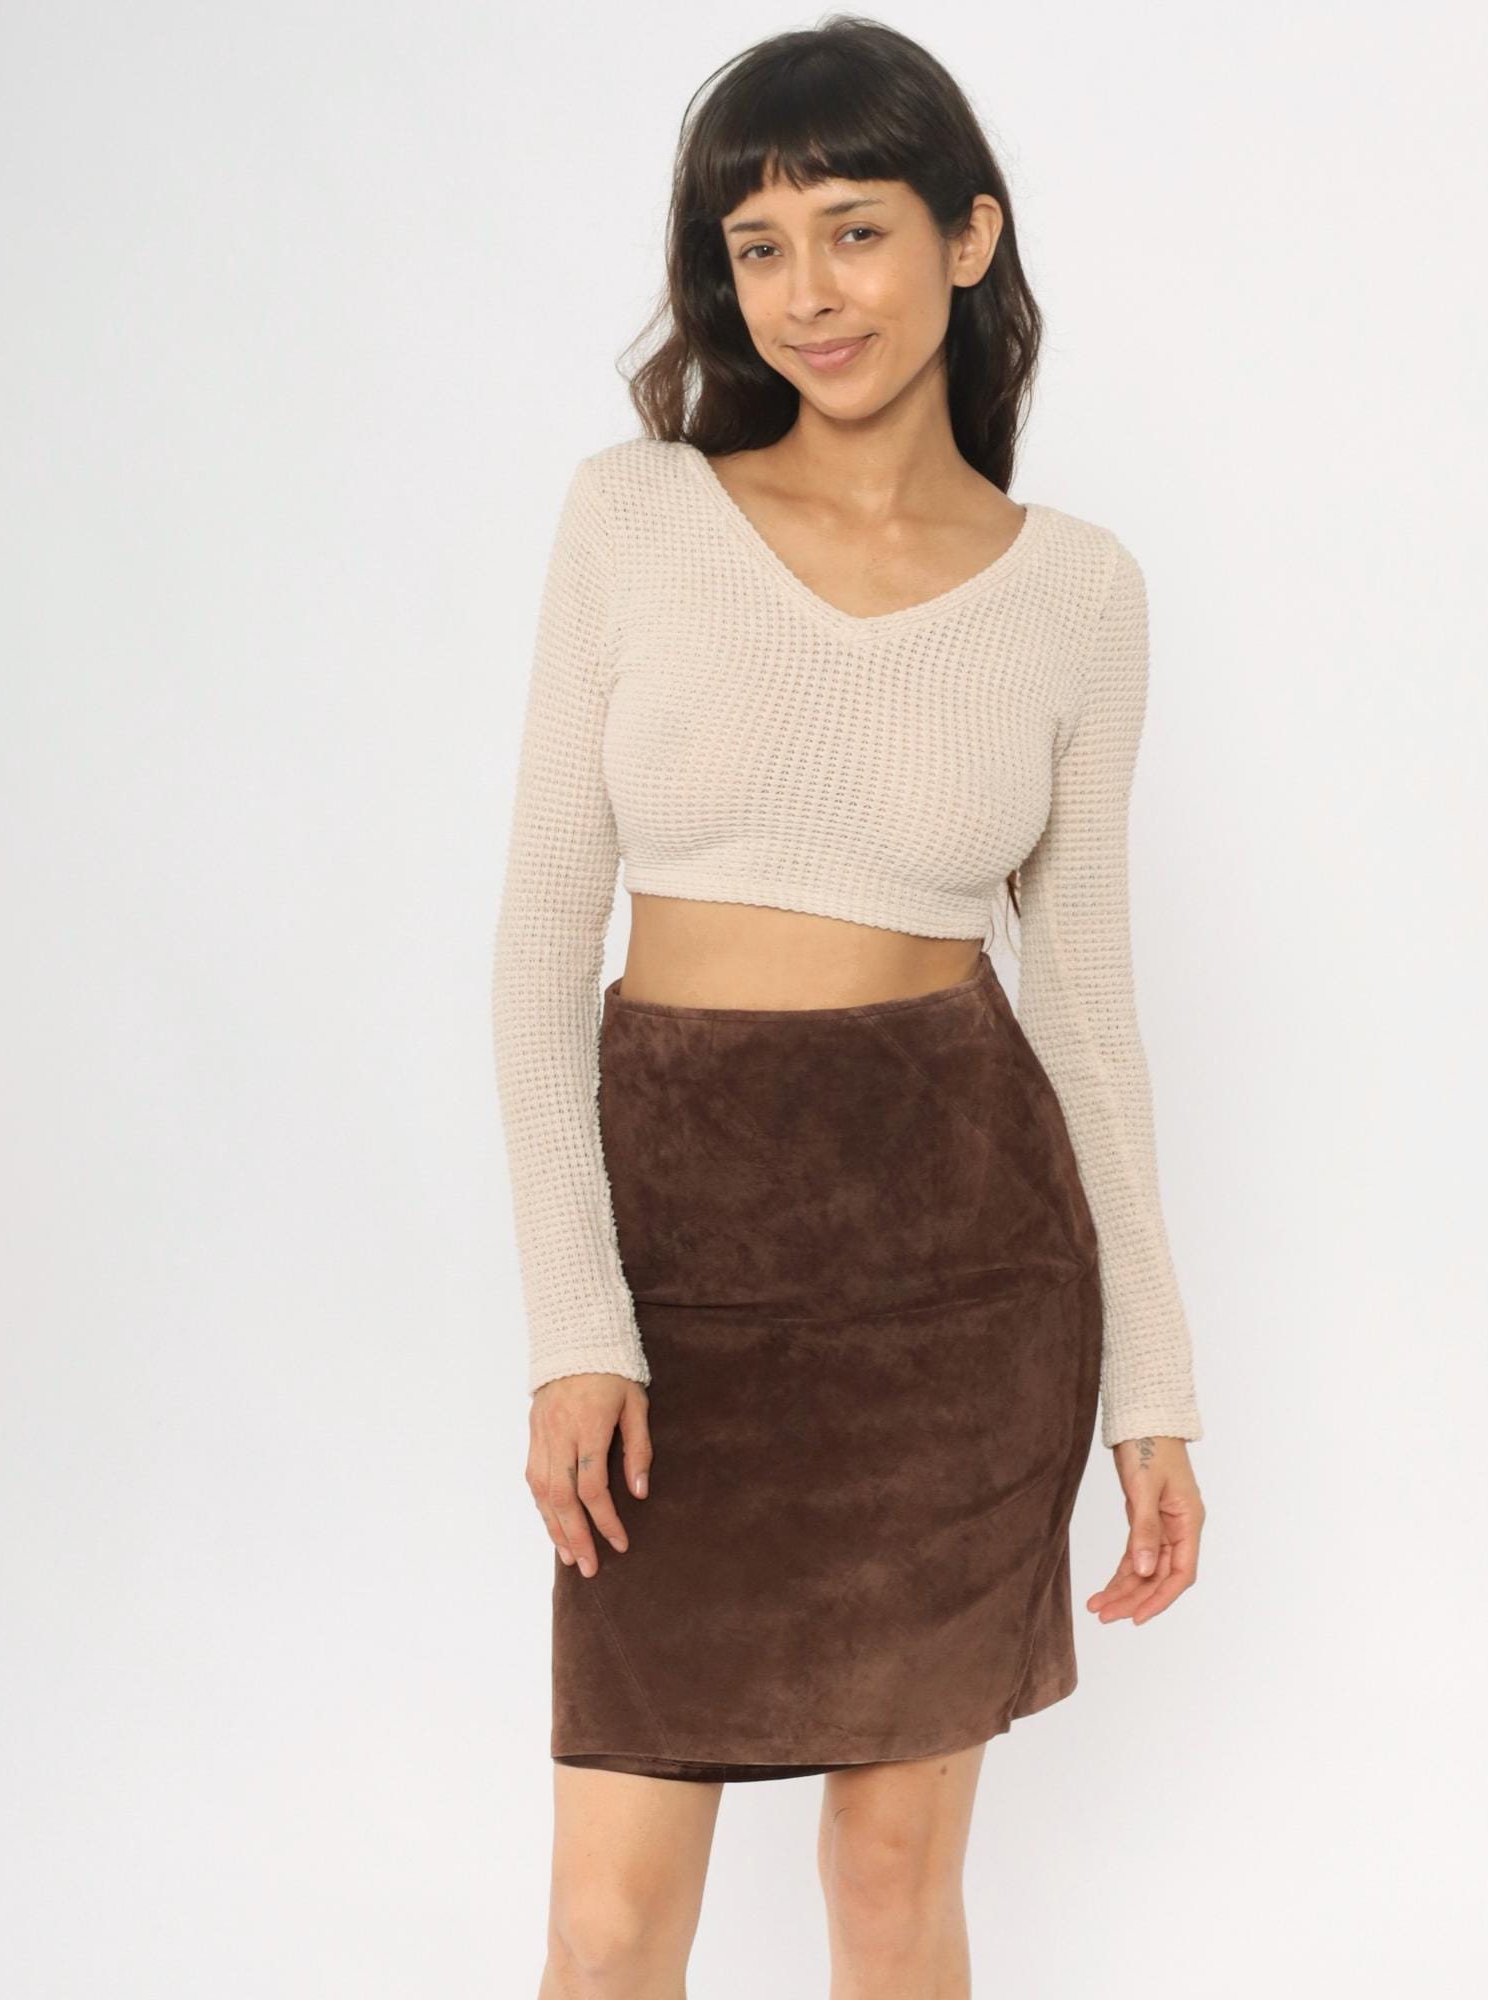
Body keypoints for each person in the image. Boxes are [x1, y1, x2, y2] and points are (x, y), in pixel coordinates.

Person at [492, 19, 1208, 1995]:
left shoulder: (1078, 592)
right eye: (758, 247)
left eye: (856, 230)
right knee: (607, 1919)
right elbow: (540, 942)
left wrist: (1152, 1386)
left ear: (969, 239)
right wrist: (575, 1325)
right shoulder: (633, 518)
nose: (808, 292)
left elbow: (1087, 1011)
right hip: (678, 1264)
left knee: (893, 1891)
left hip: (960, 1281)